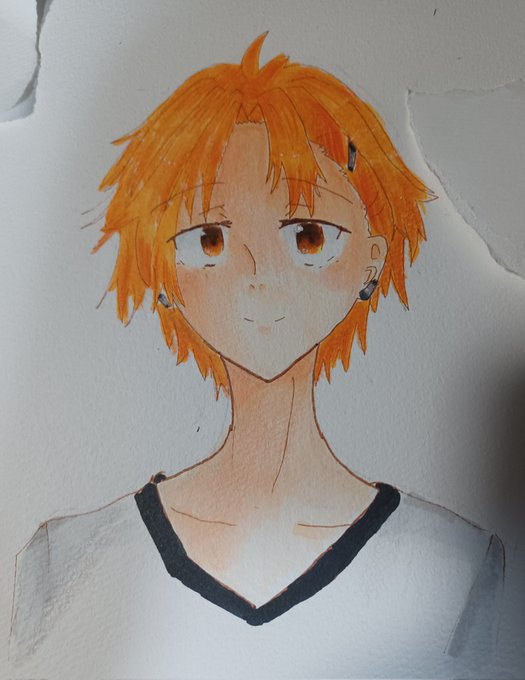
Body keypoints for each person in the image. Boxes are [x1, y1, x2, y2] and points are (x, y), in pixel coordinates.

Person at [9, 34, 504, 679]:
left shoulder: (456, 567)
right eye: (209, 238)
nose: (259, 275)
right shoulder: (65, 562)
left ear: (373, 260)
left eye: (308, 235)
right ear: (161, 272)